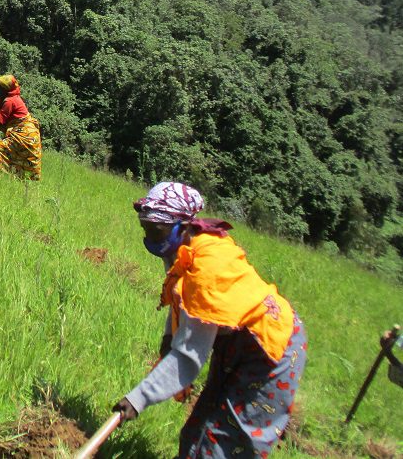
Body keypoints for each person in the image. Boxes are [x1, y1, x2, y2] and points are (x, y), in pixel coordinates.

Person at [112, 181, 307, 458]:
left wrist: (138, 399)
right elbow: (182, 295)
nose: (150, 241)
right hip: (236, 342)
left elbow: (188, 358)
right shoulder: (184, 246)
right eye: (145, 230)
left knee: (225, 444)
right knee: (198, 431)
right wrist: (169, 337)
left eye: (155, 231)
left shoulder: (207, 269)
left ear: (181, 225)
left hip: (271, 349)